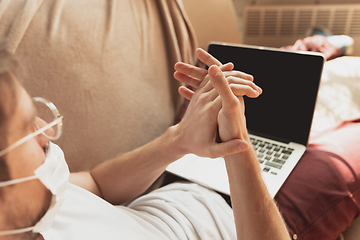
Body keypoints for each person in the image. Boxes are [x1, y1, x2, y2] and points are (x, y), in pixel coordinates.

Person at [0, 42, 292, 240]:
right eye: (26, 127)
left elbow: (96, 183)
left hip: (181, 188)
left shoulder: (29, 196)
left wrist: (180, 138)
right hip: (251, 218)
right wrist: (237, 144)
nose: (46, 133)